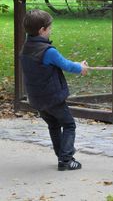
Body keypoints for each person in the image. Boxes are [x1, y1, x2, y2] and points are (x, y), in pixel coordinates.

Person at [19, 9, 89, 171]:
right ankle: (65, 160)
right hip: (52, 98)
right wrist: (81, 67)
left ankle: (62, 155)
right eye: (49, 28)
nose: (50, 31)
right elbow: (66, 65)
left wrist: (78, 65)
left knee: (54, 124)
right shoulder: (48, 51)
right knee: (69, 125)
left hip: (37, 98)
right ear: (42, 30)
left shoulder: (26, 48)